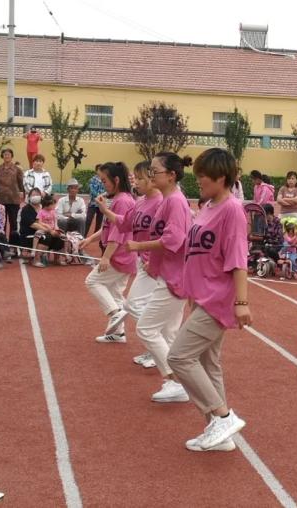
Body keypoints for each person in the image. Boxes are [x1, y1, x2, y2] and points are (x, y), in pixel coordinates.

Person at [166, 147, 250, 452]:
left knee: (178, 357)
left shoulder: (232, 210)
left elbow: (238, 259)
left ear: (221, 177)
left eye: (204, 176)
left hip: (218, 298)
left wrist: (241, 302)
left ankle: (223, 417)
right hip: (201, 296)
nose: (198, 180)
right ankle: (219, 434)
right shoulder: (208, 206)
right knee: (208, 363)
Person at [123, 153, 193, 403]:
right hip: (167, 273)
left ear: (171, 175)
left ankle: (176, 381)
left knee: (147, 329)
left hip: (174, 277)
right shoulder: (168, 200)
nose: (150, 175)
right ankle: (180, 381)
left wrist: (139, 247)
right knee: (169, 333)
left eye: (155, 171)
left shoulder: (175, 201)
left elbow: (174, 239)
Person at [95, 160, 163, 368]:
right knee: (142, 306)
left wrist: (142, 249)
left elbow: (170, 237)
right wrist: (105, 210)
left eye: (140, 178)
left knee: (133, 305)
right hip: (145, 261)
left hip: (157, 264)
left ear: (152, 178)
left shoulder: (162, 202)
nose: (135, 181)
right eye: (135, 177)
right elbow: (124, 223)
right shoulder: (141, 201)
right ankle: (155, 350)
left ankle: (159, 352)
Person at [81, 162, 137, 343]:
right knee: (115, 293)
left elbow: (118, 233)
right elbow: (108, 226)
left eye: (104, 181)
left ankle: (115, 313)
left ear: (116, 180)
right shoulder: (120, 199)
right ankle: (118, 333)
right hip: (124, 255)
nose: (102, 185)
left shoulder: (123, 201)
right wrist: (90, 239)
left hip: (120, 255)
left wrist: (106, 257)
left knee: (92, 281)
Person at [20, 188, 64, 264]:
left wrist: (56, 230)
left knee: (60, 237)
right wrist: (50, 231)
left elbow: (54, 220)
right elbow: (33, 225)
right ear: (29, 197)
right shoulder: (26, 209)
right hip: (30, 234)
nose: (35, 196)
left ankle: (57, 259)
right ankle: (36, 259)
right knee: (46, 237)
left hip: (47, 231)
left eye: (37, 194)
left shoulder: (45, 208)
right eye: (33, 195)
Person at [0, 148, 24, 239]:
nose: (7, 156)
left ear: (12, 156)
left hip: (13, 199)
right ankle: (2, 240)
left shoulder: (17, 169)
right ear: (2, 156)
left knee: (14, 222)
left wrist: (21, 193)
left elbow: (20, 183)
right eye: (5, 154)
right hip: (1, 199)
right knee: (1, 221)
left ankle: (13, 241)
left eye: (8, 154)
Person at [85, 164, 106, 237]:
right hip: (93, 203)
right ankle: (84, 235)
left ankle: (95, 237)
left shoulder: (105, 180)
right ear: (96, 171)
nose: (101, 171)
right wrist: (99, 196)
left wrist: (102, 196)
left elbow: (106, 189)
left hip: (101, 203)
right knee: (88, 219)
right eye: (99, 169)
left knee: (99, 221)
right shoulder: (92, 179)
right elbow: (92, 190)